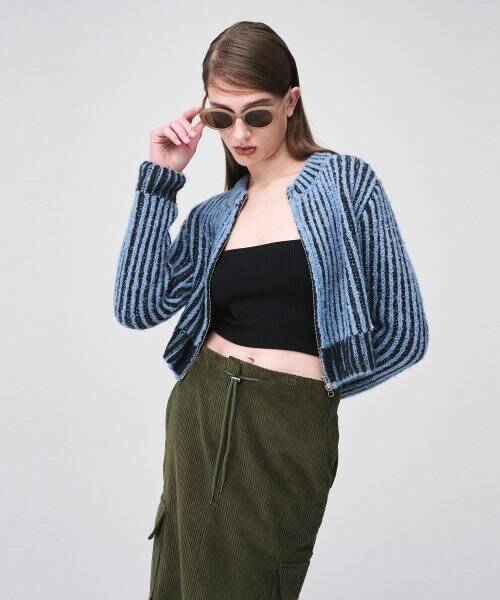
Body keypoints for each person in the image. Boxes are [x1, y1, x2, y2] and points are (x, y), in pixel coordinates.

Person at [114, 21, 429, 600]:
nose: (239, 133)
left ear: (290, 102)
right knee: (181, 582)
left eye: (256, 114)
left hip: (289, 424)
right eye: (221, 116)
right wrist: (161, 180)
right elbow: (137, 306)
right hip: (200, 409)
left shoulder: (344, 184)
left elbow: (405, 333)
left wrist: (316, 388)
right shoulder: (213, 216)